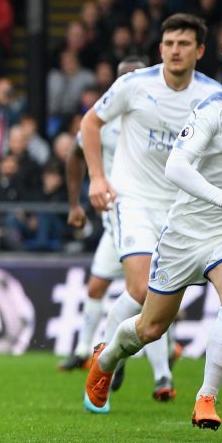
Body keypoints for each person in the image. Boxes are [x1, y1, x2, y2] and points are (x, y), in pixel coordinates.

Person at [84, 40, 222, 429]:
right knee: (150, 328)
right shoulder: (212, 111)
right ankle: (105, 360)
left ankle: (206, 398)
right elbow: (176, 167)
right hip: (185, 233)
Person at [79, 14, 222, 401]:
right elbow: (90, 124)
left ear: (200, 51)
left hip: (181, 209)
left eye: (184, 44)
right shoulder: (134, 84)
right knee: (143, 289)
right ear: (160, 49)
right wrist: (97, 177)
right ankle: (127, 365)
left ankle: (108, 355)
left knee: (160, 311)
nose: (176, 50)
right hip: (134, 200)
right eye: (170, 43)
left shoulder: (213, 97)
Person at [60, 56, 146, 371]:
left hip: (151, 216)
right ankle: (85, 351)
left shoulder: (159, 118)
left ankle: (152, 368)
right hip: (116, 217)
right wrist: (74, 203)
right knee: (99, 286)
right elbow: (74, 154)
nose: (131, 83)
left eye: (137, 76)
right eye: (125, 77)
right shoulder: (103, 118)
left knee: (149, 293)